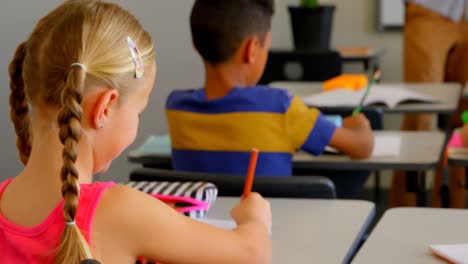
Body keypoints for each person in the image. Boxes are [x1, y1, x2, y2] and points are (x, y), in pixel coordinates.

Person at [0, 1, 271, 263]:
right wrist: (255, 219)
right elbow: (250, 253)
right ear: (104, 108)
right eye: (139, 112)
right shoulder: (121, 211)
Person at [165, 0, 374, 196]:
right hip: (269, 230)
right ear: (252, 49)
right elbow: (362, 147)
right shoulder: (280, 107)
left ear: (195, 44)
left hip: (201, 230)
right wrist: (361, 125)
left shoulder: (177, 108)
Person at [392, 0, 468, 207]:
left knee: (464, 126)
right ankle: (403, 216)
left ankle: (456, 217)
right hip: (430, 9)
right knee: (419, 118)